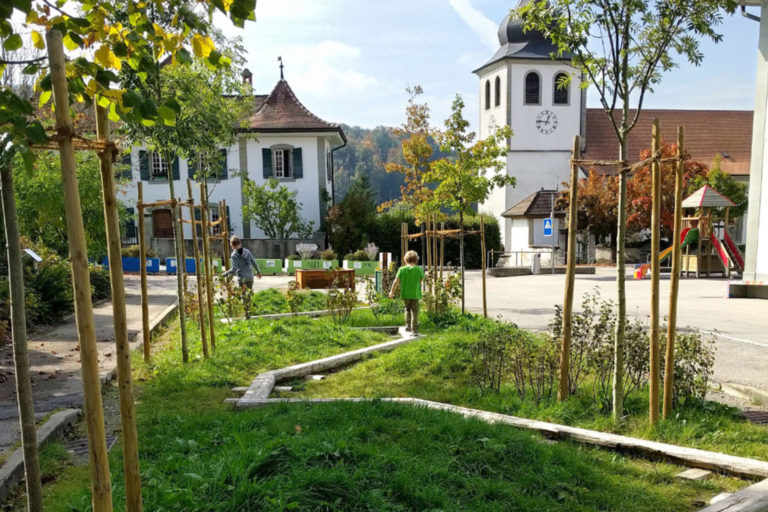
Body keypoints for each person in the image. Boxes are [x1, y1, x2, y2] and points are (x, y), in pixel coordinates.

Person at [222, 236, 261, 317]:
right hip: (250, 277)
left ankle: (246, 315)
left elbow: (234, 269)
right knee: (248, 296)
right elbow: (253, 261)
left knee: (243, 296)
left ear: (232, 245)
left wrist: (223, 275)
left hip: (242, 278)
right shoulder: (247, 251)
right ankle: (250, 312)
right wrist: (258, 271)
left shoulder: (234, 255)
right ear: (240, 243)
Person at [388, 250, 425, 335]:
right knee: (415, 312)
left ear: (405, 260)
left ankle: (408, 325)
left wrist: (392, 291)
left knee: (407, 309)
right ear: (416, 260)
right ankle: (415, 330)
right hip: (415, 294)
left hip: (405, 294)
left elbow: (396, 281)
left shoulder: (402, 269)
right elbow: (421, 279)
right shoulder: (418, 269)